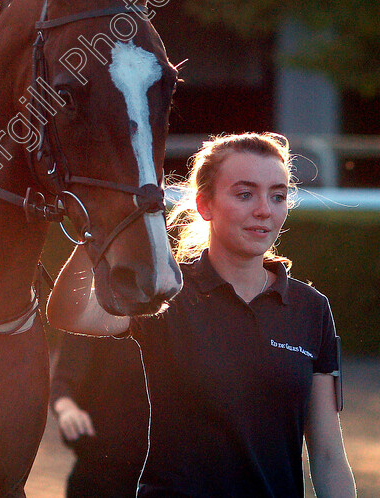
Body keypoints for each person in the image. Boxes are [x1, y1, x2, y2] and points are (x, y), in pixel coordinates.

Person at [47, 132, 357, 498]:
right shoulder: (168, 290)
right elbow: (68, 315)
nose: (264, 210)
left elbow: (327, 454)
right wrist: (97, 221)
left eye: (277, 195)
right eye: (245, 194)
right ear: (205, 205)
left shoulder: (311, 308)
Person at [51, 332, 149, 497]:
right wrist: (67, 410)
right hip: (99, 465)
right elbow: (63, 381)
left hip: (160, 473)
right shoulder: (93, 314)